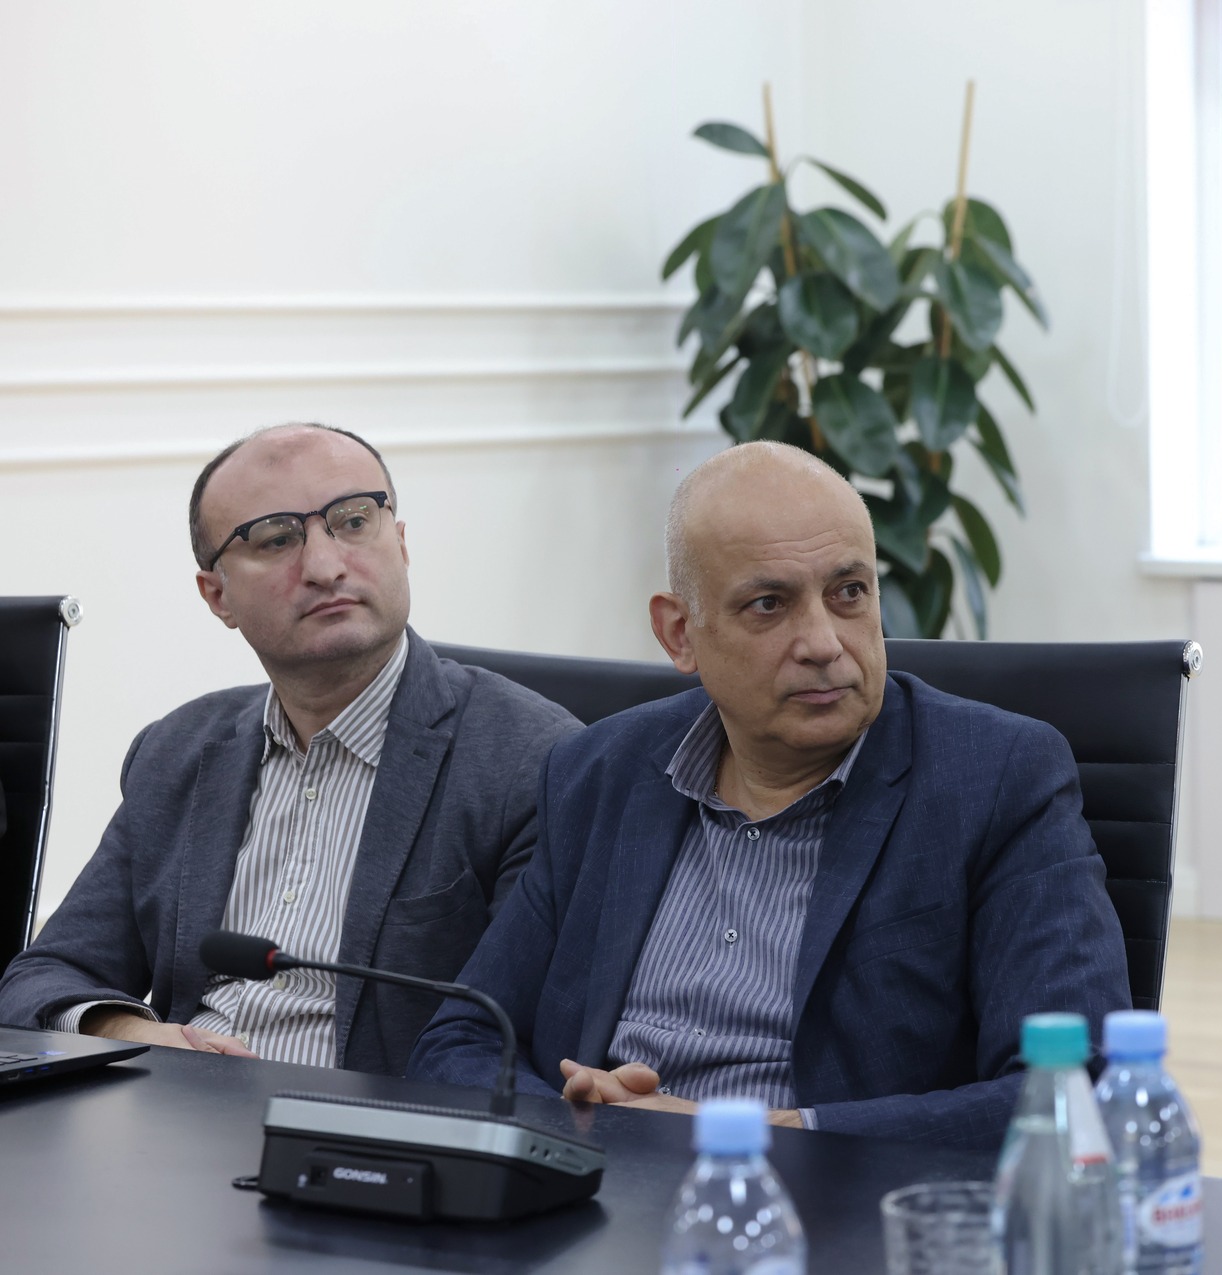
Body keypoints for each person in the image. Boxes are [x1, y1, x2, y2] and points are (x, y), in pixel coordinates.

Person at [408, 440, 1130, 1150]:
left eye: (849, 592)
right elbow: (463, 1039)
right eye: (769, 604)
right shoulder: (600, 771)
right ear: (680, 633)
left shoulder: (996, 777)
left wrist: (762, 1136)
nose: (823, 642)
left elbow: (1076, 1090)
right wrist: (587, 1133)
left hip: (837, 1204)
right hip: (598, 1192)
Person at [0, 423, 580, 1074]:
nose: (326, 566)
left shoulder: (532, 760)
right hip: (174, 1104)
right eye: (276, 539)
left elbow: (517, 1040)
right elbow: (43, 975)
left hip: (364, 1121)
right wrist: (127, 1028)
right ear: (217, 595)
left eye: (354, 521)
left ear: (401, 543)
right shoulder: (178, 750)